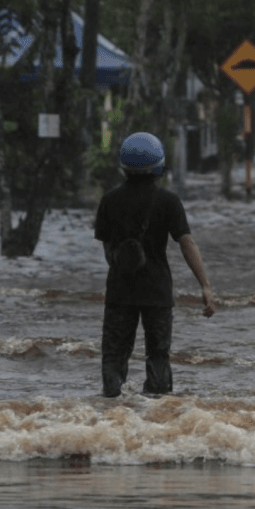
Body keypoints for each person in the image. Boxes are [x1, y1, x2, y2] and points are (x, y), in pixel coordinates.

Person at [94, 132, 216, 398]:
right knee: (158, 356)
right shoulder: (168, 202)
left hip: (119, 292)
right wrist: (205, 286)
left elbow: (107, 250)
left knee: (113, 356)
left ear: (123, 165)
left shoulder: (109, 201)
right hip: (157, 292)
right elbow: (187, 244)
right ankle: (157, 415)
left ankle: (112, 410)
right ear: (159, 165)